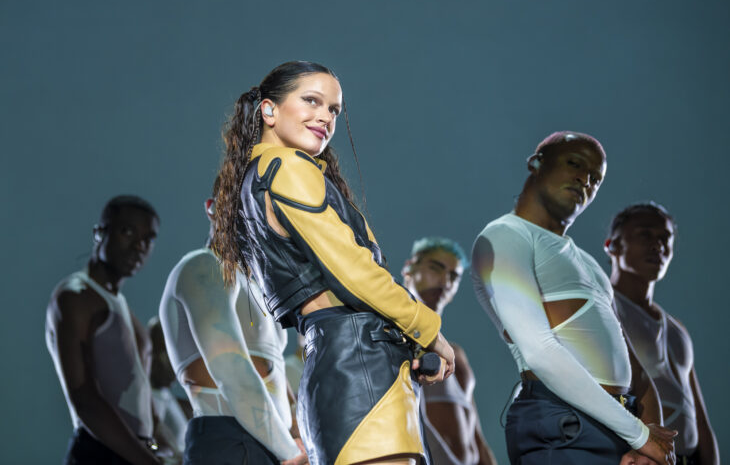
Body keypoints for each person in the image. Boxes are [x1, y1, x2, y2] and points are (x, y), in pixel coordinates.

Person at [211, 60, 455, 465]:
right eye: (311, 100)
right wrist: (430, 330)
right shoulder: (287, 167)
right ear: (269, 110)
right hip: (359, 367)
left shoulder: (257, 177)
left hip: (336, 365)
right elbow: (354, 269)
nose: (325, 116)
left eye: (334, 110)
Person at [471, 132, 677, 465]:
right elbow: (539, 351)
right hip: (563, 426)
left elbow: (635, 371)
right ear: (537, 162)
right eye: (574, 164)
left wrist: (646, 446)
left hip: (619, 429)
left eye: (596, 178)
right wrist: (640, 435)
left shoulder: (591, 265)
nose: (585, 179)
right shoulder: (505, 236)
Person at [157, 181, 307, 464]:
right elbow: (232, 370)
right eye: (238, 206)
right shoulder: (203, 266)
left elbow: (273, 371)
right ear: (212, 208)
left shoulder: (257, 288)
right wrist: (290, 452)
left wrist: (297, 437)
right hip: (231, 439)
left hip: (269, 444)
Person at [46, 195, 162, 465]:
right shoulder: (76, 296)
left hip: (133, 454)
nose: (139, 246)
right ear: (100, 233)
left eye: (149, 239)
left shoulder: (119, 303)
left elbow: (140, 392)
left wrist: (159, 445)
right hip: (98, 454)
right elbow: (84, 398)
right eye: (128, 231)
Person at [607, 202, 720, 465]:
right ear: (612, 245)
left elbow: (698, 417)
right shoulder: (603, 308)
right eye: (645, 234)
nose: (657, 245)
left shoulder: (678, 330)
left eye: (664, 239)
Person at [402, 237, 497, 465]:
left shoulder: (456, 355)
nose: (445, 281)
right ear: (409, 269)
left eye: (454, 276)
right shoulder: (395, 339)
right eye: (436, 268)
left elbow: (476, 434)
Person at [147, 317, 192, 463]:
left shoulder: (169, 399)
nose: (176, 362)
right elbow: (150, 445)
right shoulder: (145, 402)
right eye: (168, 353)